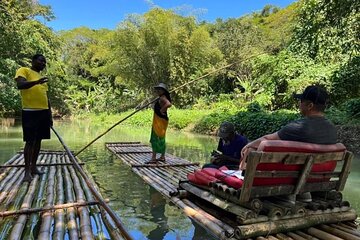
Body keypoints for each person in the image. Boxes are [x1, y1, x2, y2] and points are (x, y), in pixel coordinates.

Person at [240, 85, 337, 202]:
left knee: (252, 150)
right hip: (314, 179)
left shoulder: (298, 127)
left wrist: (248, 145)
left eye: (301, 101)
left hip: (286, 181)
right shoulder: (332, 129)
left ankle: (286, 196)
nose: (299, 104)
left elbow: (267, 139)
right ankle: (303, 193)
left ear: (310, 105)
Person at [15, 54, 52, 182]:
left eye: (45, 62)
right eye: (41, 61)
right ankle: (26, 172)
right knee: (30, 141)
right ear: (33, 61)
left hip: (43, 112)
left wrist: (50, 115)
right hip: (30, 112)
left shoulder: (42, 78)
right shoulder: (24, 70)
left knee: (38, 141)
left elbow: (46, 98)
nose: (43, 63)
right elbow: (20, 85)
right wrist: (36, 82)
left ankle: (34, 167)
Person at [148, 83, 172, 163]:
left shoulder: (163, 97)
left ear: (163, 91)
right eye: (157, 89)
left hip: (160, 121)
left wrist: (162, 110)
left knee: (155, 138)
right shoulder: (161, 97)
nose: (158, 91)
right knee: (161, 138)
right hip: (161, 120)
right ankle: (162, 157)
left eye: (160, 90)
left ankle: (154, 158)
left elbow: (169, 104)